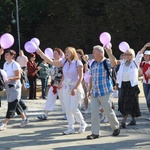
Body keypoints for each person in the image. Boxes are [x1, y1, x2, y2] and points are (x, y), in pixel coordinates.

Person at [36, 47, 87, 135]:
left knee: (73, 108)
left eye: (68, 52)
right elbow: (52, 62)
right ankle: (71, 127)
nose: (66, 53)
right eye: (65, 51)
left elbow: (81, 77)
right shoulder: (64, 62)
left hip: (75, 87)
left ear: (72, 53)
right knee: (67, 108)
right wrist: (41, 53)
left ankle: (82, 123)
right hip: (66, 87)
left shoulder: (77, 63)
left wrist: (75, 88)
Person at [105, 42, 150, 129]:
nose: (127, 56)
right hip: (123, 85)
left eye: (129, 54)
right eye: (126, 54)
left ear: (132, 55)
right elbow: (114, 62)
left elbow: (140, 54)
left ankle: (123, 122)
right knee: (127, 103)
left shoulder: (135, 62)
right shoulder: (122, 62)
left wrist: (144, 47)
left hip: (132, 86)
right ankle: (133, 120)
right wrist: (109, 52)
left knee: (128, 103)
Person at [87, 45, 120, 140]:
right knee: (94, 113)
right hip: (95, 93)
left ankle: (116, 127)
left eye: (94, 52)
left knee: (108, 111)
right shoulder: (93, 64)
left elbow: (114, 63)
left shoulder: (106, 62)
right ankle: (95, 133)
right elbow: (92, 78)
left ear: (100, 54)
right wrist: (89, 90)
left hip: (105, 92)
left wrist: (109, 52)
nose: (92, 54)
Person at [0, 50, 29, 131]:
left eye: (8, 54)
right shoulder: (5, 64)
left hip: (15, 87)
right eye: (5, 54)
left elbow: (18, 76)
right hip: (8, 87)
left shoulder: (15, 64)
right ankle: (24, 119)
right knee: (16, 105)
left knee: (11, 106)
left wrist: (8, 78)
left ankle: (4, 124)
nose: (6, 55)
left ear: (12, 56)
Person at [37, 48, 65, 120]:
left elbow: (64, 75)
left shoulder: (62, 63)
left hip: (61, 85)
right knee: (49, 99)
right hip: (53, 85)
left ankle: (67, 114)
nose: (54, 55)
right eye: (53, 53)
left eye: (56, 53)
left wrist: (61, 83)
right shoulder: (52, 64)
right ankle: (45, 114)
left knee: (63, 100)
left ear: (60, 55)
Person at [76, 49, 89, 114]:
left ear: (81, 54)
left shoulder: (84, 62)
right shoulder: (75, 61)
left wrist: (84, 81)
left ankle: (86, 108)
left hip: (83, 79)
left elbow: (86, 71)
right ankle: (78, 107)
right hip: (76, 79)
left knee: (85, 94)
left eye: (77, 53)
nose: (76, 54)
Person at [140, 50, 150, 120]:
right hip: (145, 83)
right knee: (147, 99)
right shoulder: (142, 63)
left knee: (149, 99)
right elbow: (140, 72)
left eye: (147, 55)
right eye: (145, 55)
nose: (146, 57)